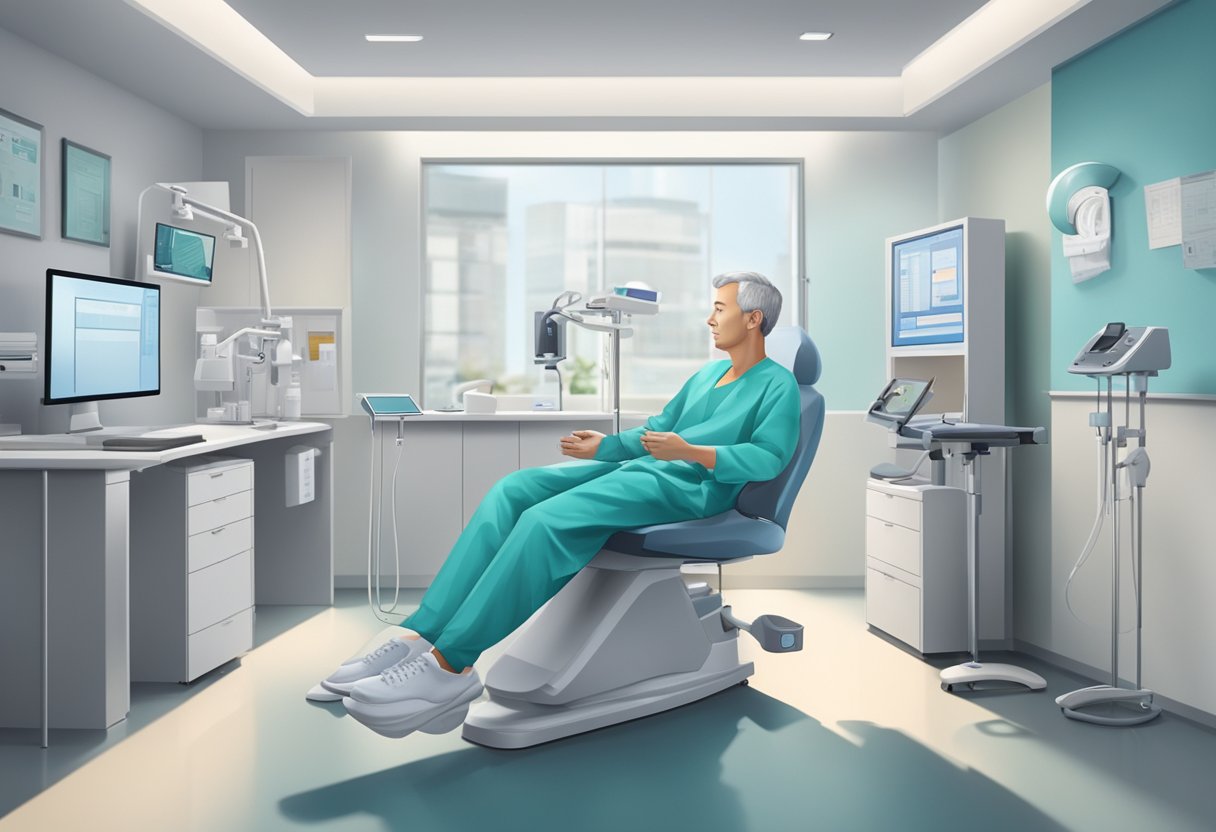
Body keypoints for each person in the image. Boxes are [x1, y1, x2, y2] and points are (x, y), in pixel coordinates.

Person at [325, 272, 802, 739]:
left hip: (692, 489)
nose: (709, 318)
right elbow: (658, 428)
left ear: (754, 319)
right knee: (513, 491)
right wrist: (607, 447)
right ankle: (420, 634)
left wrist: (692, 453)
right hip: (647, 471)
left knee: (545, 521)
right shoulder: (709, 374)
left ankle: (450, 665)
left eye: (720, 308)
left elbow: (768, 457)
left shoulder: (777, 386)